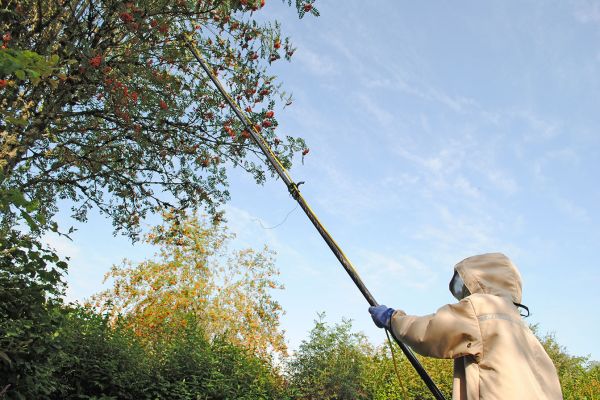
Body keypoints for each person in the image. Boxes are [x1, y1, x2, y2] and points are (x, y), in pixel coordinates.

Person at [368, 253, 562, 399]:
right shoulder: (524, 332)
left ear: (481, 280)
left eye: (464, 284)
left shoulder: (482, 307)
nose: (464, 293)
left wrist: (392, 318)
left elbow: (428, 332)